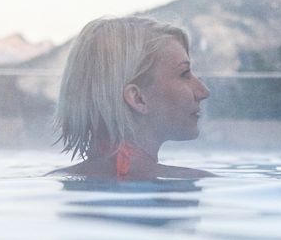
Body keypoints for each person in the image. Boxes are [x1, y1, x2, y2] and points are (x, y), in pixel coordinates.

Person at [53, 16, 212, 180]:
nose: (204, 92)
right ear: (138, 99)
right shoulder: (186, 183)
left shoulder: (59, 180)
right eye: (184, 74)